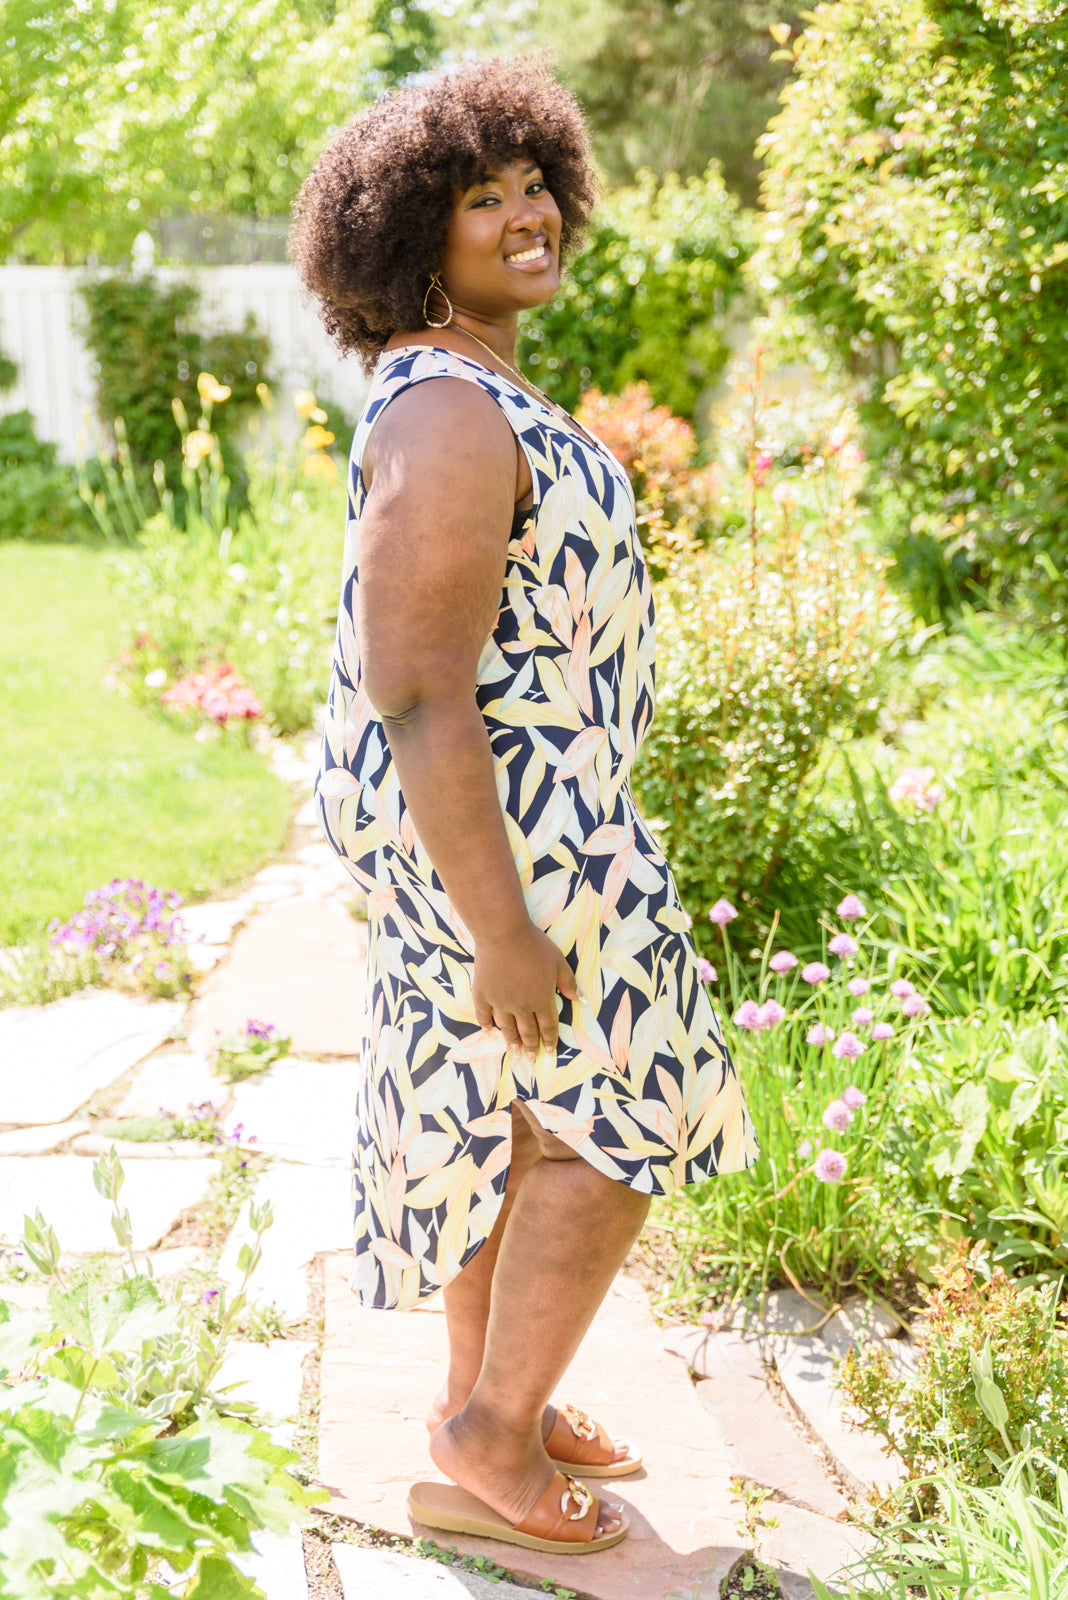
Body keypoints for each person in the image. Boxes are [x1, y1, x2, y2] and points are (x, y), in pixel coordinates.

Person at [290, 56, 757, 1557]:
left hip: (535, 814)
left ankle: (485, 1401)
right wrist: (500, 926)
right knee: (629, 1116)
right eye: (480, 197)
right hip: (510, 828)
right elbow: (418, 685)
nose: (527, 213)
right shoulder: (445, 408)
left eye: (535, 182)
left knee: (522, 1117)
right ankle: (487, 1445)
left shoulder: (471, 385)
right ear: (412, 238)